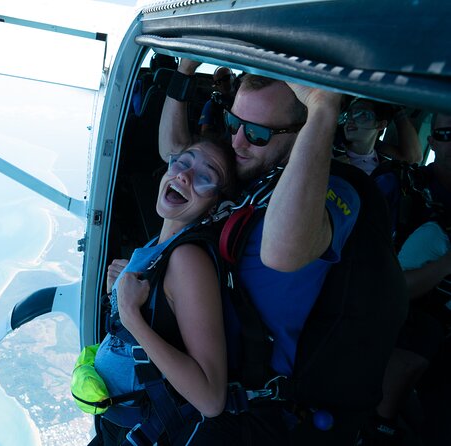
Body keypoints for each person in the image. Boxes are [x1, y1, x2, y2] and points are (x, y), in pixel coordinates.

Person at [159, 58, 405, 444]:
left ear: (302, 132)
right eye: (233, 122)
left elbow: (282, 253)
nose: (237, 141)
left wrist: (324, 110)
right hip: (198, 374)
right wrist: (184, 73)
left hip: (252, 411)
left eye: (256, 132)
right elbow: (172, 154)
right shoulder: (252, 163)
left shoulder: (337, 190)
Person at [93, 138, 236, 445]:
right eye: (183, 162)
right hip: (118, 423)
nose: (184, 175)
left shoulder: (188, 261)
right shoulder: (155, 246)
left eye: (206, 176)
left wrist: (131, 315)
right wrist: (115, 298)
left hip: (146, 432)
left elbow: (211, 400)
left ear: (217, 205)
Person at [361, 113, 451, 445]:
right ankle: (376, 425)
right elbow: (370, 279)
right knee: (424, 330)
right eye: (446, 132)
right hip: (395, 320)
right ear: (432, 141)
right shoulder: (399, 186)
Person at [334, 98, 422, 175]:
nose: (350, 120)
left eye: (362, 114)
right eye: (349, 114)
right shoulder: (331, 151)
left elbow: (413, 158)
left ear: (380, 125)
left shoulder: (384, 159)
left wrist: (399, 112)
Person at [198, 66, 237, 137]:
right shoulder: (212, 104)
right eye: (218, 82)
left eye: (225, 79)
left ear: (234, 77)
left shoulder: (245, 100)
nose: (223, 84)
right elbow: (204, 133)